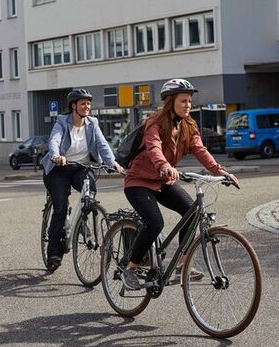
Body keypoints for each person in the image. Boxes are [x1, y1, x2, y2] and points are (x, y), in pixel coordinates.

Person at [121, 78, 238, 290]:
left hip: (163, 180)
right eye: (183, 100)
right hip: (138, 181)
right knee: (155, 223)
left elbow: (201, 151)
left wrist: (220, 171)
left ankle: (182, 265)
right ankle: (130, 267)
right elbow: (154, 147)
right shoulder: (154, 123)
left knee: (191, 213)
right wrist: (165, 165)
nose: (188, 105)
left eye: (190, 101)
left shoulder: (188, 126)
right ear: (170, 102)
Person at [41, 88, 124, 271]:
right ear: (73, 106)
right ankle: (54, 253)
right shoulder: (63, 121)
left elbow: (102, 145)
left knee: (90, 191)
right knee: (60, 209)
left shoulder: (92, 123)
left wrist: (113, 163)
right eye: (82, 104)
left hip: (81, 168)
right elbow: (54, 140)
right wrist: (56, 155)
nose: (86, 107)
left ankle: (83, 218)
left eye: (88, 103)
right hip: (59, 169)